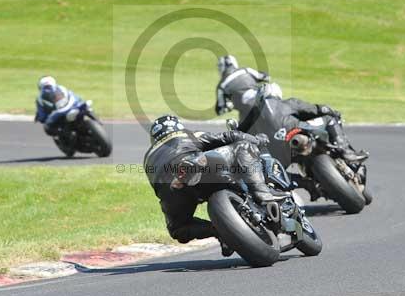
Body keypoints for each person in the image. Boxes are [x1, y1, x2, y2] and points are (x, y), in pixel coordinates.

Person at [142, 114, 286, 255]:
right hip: (198, 164)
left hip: (171, 189)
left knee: (179, 229)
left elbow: (156, 187)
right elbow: (228, 137)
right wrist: (257, 140)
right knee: (243, 146)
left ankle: (219, 231)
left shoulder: (148, 158)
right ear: (177, 127)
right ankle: (263, 194)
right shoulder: (186, 134)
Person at [237, 83, 368, 166]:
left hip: (277, 154)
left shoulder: (253, 117)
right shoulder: (288, 103)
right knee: (329, 118)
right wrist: (331, 111)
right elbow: (315, 109)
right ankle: (346, 150)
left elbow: (241, 133)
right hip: (296, 131)